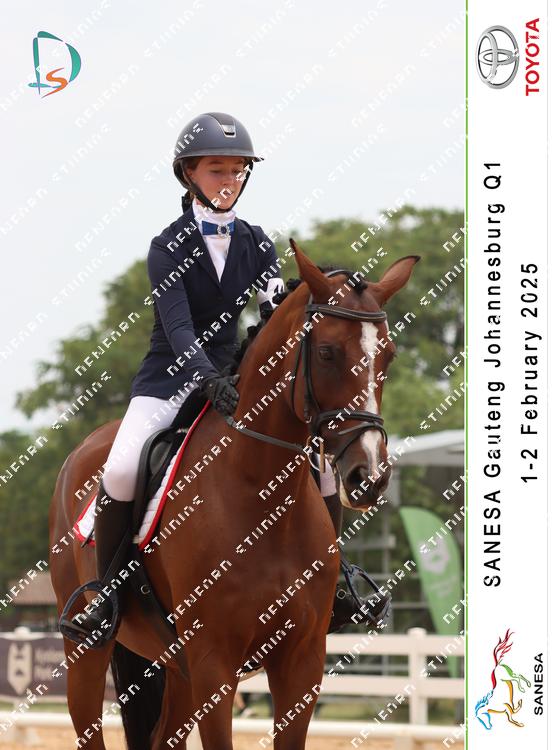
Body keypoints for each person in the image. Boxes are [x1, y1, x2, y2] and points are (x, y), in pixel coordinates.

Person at [71, 112, 341, 640]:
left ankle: (339, 580)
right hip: (168, 381)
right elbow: (176, 328)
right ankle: (106, 595)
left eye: (238, 170)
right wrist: (205, 378)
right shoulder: (166, 247)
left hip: (234, 379)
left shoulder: (258, 243)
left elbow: (272, 312)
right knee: (121, 469)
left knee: (324, 466)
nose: (229, 179)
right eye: (218, 169)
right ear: (189, 174)